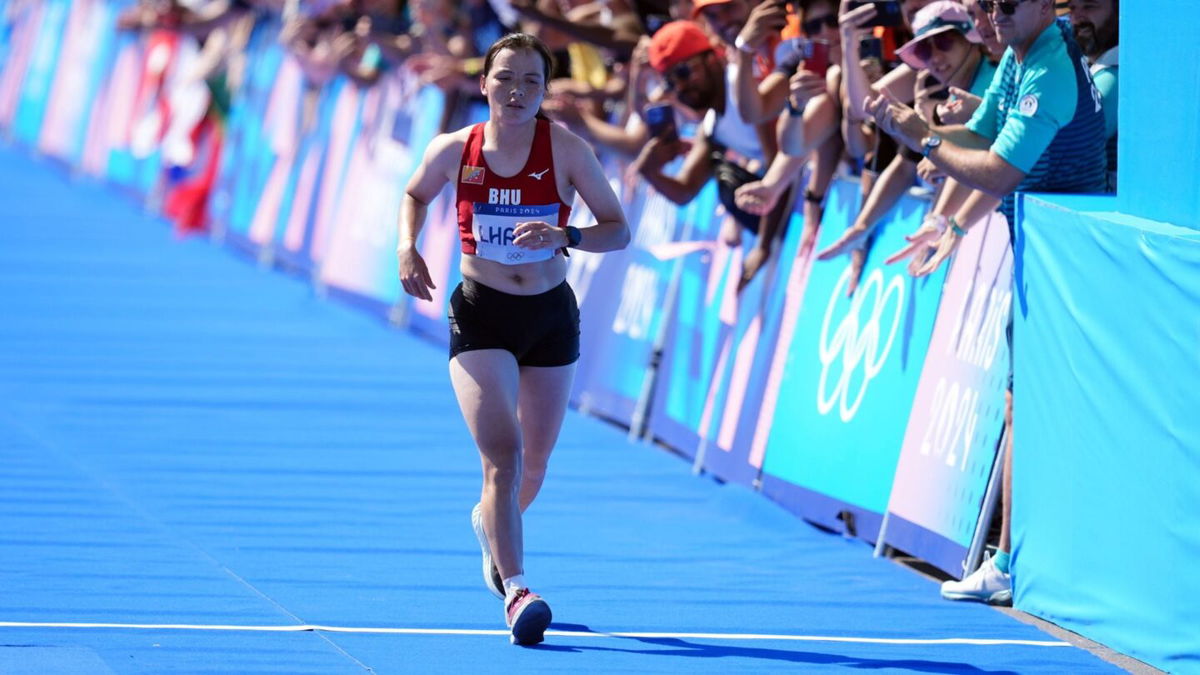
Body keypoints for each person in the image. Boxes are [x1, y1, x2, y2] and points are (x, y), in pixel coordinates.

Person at [396, 32, 630, 644]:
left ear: (544, 90)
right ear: (484, 83)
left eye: (531, 81)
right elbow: (415, 193)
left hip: (550, 314)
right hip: (481, 315)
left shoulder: (567, 150)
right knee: (504, 453)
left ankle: (490, 528)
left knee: (537, 463)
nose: (518, 91)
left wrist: (565, 236)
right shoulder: (456, 149)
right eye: (506, 79)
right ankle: (518, 588)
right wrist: (407, 245)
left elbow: (617, 230)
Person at [876, 0, 1107, 605]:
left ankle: (1016, 562)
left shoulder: (1050, 64)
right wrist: (910, 128)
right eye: (985, 4)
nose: (992, 14)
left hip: (1072, 260)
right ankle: (1014, 559)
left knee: (1029, 407)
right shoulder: (1024, 50)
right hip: (1046, 247)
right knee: (1020, 404)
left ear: (1041, 3)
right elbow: (982, 135)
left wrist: (922, 136)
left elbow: (999, 170)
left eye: (1005, 3)